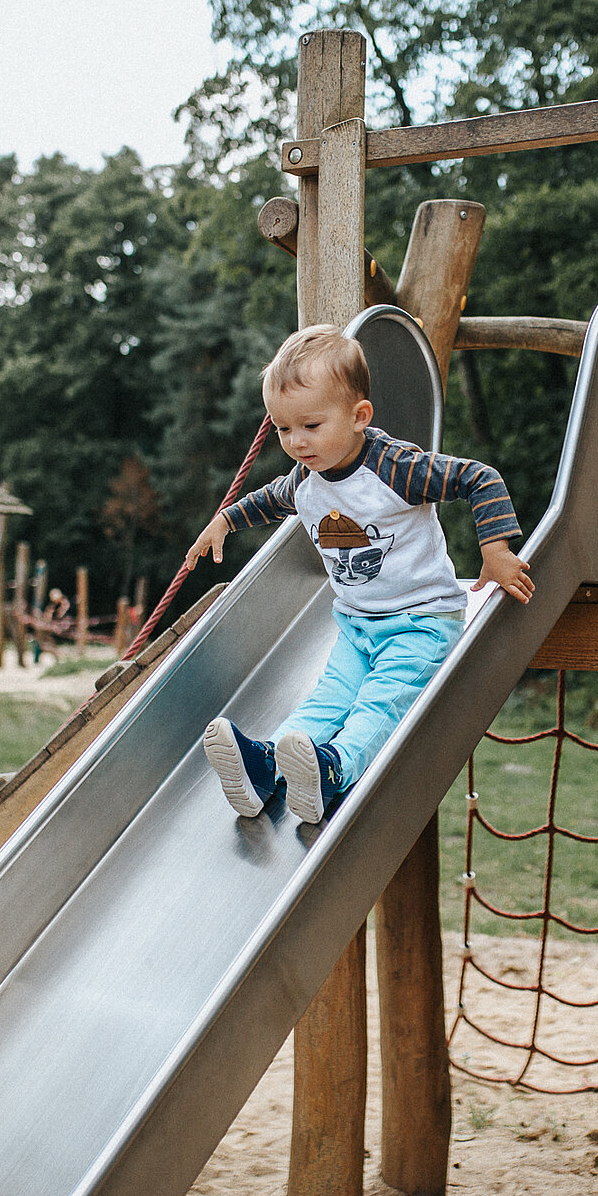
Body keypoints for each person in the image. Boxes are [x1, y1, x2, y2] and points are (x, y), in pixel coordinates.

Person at [187, 323, 534, 825]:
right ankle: (267, 768)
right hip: (357, 624)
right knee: (328, 699)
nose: (296, 442)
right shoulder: (306, 481)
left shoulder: (394, 467)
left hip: (422, 624)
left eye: (310, 425)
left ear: (358, 417)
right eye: (284, 429)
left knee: (378, 703)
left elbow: (477, 478)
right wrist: (224, 520)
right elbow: (267, 499)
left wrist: (496, 550)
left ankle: (335, 770)